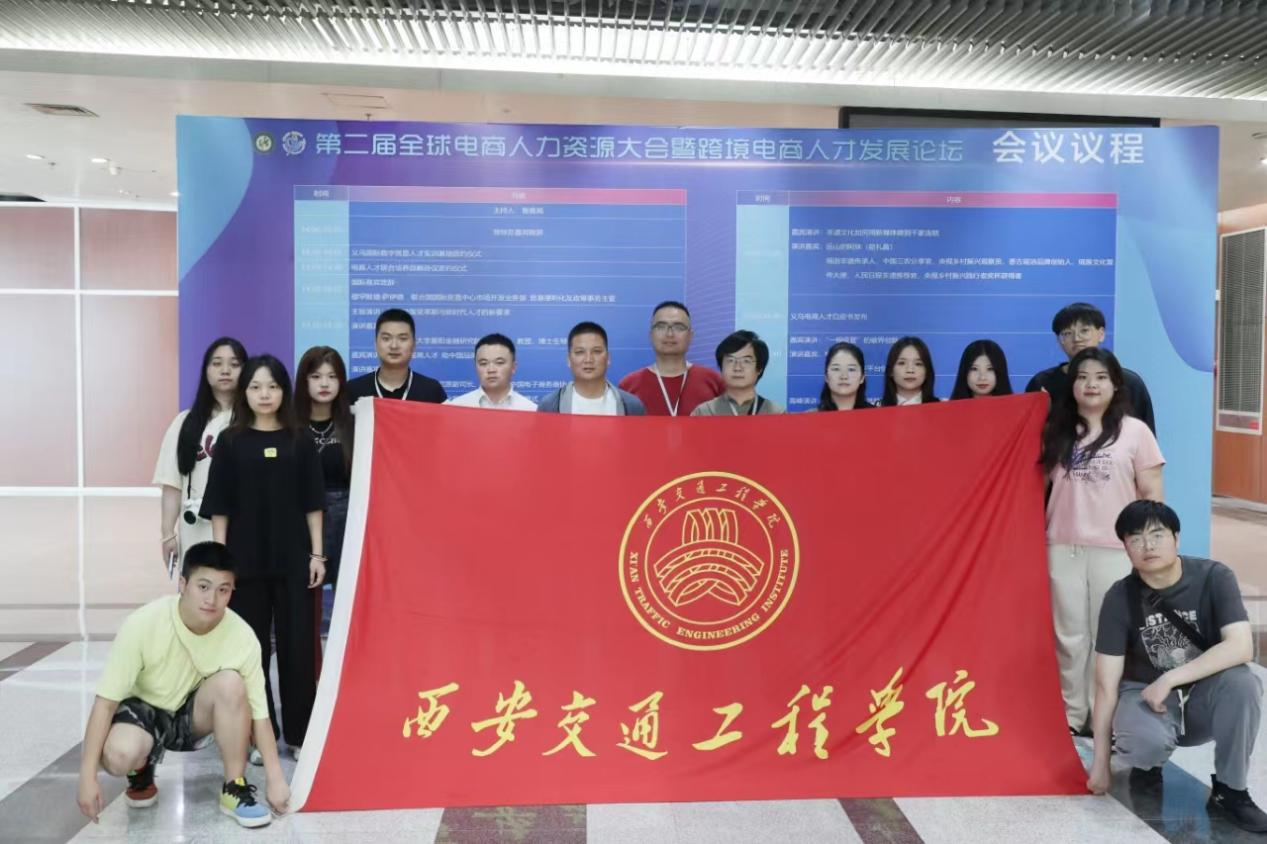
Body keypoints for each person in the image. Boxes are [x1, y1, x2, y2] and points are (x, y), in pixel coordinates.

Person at [76, 542, 287, 829]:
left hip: (192, 715)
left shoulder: (243, 637)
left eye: (223, 590)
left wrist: (276, 780)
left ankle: (233, 787)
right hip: (144, 713)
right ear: (183, 584)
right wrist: (87, 777)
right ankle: (141, 769)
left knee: (232, 683)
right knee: (118, 755)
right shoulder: (143, 623)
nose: (212, 599)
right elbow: (105, 703)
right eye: (203, 587)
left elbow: (260, 716)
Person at [1087, 501, 1265, 833]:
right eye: (1135, 538)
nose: (1148, 545)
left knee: (1244, 683)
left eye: (1157, 534)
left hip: (1203, 698)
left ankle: (1231, 791)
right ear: (1125, 547)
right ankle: (1147, 765)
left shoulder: (1214, 577)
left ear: (1177, 538)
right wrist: (1100, 764)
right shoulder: (1120, 597)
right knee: (1142, 744)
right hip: (1146, 698)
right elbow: (1105, 685)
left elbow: (1241, 646)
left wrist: (1170, 678)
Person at [201, 355, 326, 761]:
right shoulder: (231, 442)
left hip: (293, 560)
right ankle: (259, 736)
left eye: (272, 386)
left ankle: (301, 735)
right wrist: (221, 561)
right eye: (255, 387)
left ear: (284, 392)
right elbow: (220, 507)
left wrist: (317, 554)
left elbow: (313, 503)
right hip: (244, 562)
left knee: (297, 648)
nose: (264, 394)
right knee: (251, 651)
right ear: (245, 392)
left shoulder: (299, 440)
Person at [1040, 347, 1164, 735]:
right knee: (1068, 636)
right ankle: (1070, 716)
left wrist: (1148, 547)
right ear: (1071, 385)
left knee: (1108, 636)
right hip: (1062, 546)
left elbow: (1152, 496)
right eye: (1082, 377)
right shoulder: (1055, 431)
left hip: (1115, 549)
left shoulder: (1136, 432)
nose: (1090, 385)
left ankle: (1103, 716)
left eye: (1100, 377)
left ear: (1115, 385)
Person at [153, 337, 246, 574]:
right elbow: (172, 484)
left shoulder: (253, 422)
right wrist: (167, 534)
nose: (225, 370)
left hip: (244, 524)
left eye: (234, 364)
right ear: (206, 370)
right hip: (196, 526)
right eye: (217, 363)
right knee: (201, 587)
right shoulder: (185, 423)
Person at [1026, 302, 1155, 433]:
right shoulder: (1042, 383)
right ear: (1059, 340)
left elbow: (1145, 435)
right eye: (1067, 333)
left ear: (1101, 334)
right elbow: (1027, 435)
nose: (1077, 339)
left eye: (1084, 331)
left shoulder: (1129, 382)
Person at [295, 346, 353, 589]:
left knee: (345, 593)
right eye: (316, 376)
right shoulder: (288, 424)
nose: (325, 384)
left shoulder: (355, 423)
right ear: (304, 381)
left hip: (346, 520)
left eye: (332, 376)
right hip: (298, 518)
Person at [618, 301, 724, 416]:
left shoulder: (713, 381)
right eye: (661, 327)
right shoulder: (629, 385)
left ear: (690, 336)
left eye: (678, 327)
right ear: (651, 335)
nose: (669, 334)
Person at [537, 322, 646, 415]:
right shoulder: (549, 406)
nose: (588, 359)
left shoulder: (631, 406)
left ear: (608, 358)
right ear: (569, 360)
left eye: (597, 351)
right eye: (580, 352)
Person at [345, 308, 447, 404]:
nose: (394, 346)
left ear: (414, 344)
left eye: (402, 339)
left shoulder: (432, 391)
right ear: (375, 344)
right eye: (386, 338)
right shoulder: (353, 390)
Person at [691, 330, 784, 416]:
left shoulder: (776, 413)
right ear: (721, 367)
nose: (737, 368)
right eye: (730, 360)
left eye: (746, 361)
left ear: (759, 369)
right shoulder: (704, 412)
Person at [447, 333, 537, 410]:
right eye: (483, 363)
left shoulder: (530, 410)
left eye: (499, 363)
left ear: (513, 367)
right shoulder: (457, 407)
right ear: (475, 367)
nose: (491, 370)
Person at [879, 336, 939, 406]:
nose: (910, 370)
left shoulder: (941, 409)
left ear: (927, 371)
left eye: (918, 364)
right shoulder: (877, 409)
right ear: (891, 371)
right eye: (902, 363)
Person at [814, 341, 873, 411]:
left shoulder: (877, 415)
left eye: (851, 369)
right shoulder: (811, 416)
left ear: (862, 377)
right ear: (826, 376)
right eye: (836, 369)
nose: (844, 376)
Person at [950, 339, 1014, 399]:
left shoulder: (1015, 406)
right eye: (974, 369)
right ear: (964, 372)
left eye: (990, 369)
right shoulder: (949, 407)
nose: (982, 377)